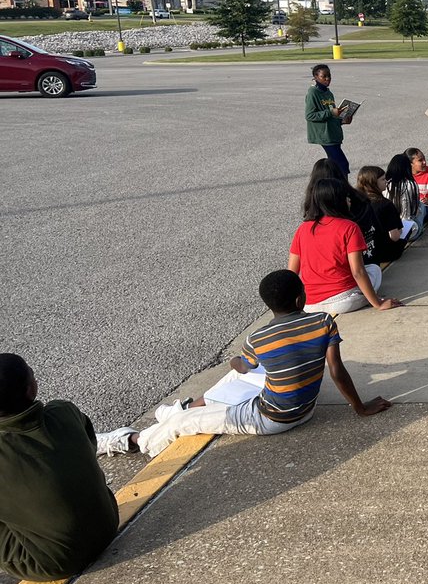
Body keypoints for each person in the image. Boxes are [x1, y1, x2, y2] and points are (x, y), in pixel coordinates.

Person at [95, 271, 390, 461]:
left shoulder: (259, 338)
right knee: (243, 379)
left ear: (268, 305)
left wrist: (238, 359)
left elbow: (243, 366)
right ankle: (182, 409)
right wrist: (360, 408)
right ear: (302, 297)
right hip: (305, 409)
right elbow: (337, 372)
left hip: (269, 418)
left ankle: (131, 441)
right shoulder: (323, 322)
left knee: (183, 423)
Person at [0, 353, 119, 581]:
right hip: (107, 523)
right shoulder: (64, 411)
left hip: (52, 562)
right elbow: (89, 445)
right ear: (31, 389)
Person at [289, 178, 400, 314]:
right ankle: (368, 297)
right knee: (374, 269)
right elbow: (357, 272)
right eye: (345, 197)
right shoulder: (349, 227)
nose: (349, 200)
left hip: (310, 304)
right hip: (344, 300)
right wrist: (378, 303)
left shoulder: (303, 229)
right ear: (336, 201)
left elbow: (291, 272)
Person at [304, 159, 382, 273]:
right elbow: (377, 230)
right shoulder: (360, 200)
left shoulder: (312, 218)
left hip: (332, 268)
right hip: (366, 261)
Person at [305, 64, 350, 177]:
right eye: (323, 76)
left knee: (334, 166)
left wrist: (342, 120)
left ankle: (333, 189)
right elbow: (310, 115)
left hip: (334, 134)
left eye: (329, 75)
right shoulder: (313, 93)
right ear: (315, 77)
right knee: (342, 165)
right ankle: (344, 190)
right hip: (325, 136)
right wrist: (331, 112)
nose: (327, 78)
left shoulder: (329, 93)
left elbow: (331, 115)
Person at [355, 165, 406, 263]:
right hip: (384, 253)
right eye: (383, 179)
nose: (386, 181)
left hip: (363, 253)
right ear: (373, 183)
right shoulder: (385, 204)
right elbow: (394, 237)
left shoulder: (356, 202)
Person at [384, 153, 424, 239]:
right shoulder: (411, 184)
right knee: (423, 206)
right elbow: (415, 211)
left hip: (390, 231)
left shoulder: (386, 184)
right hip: (411, 230)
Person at [407, 147, 428, 225]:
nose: (424, 162)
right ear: (410, 164)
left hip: (427, 208)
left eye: (424, 159)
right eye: (420, 160)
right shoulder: (407, 177)